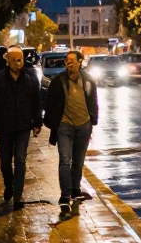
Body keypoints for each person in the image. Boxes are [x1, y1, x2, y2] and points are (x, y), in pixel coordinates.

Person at [0, 48, 42, 208]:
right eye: (16, 60)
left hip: (23, 126)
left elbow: (36, 103)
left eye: (21, 60)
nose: (19, 63)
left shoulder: (30, 79)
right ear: (8, 61)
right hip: (4, 126)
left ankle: (18, 194)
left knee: (20, 159)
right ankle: (8, 185)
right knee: (5, 161)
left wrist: (37, 123)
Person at [44, 50, 99, 215]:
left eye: (72, 60)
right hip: (64, 126)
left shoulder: (88, 80)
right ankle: (65, 195)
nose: (69, 63)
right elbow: (49, 103)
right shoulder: (58, 81)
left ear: (80, 62)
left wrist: (92, 121)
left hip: (83, 126)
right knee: (65, 161)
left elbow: (93, 100)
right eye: (67, 60)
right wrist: (52, 123)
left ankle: (75, 189)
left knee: (78, 161)